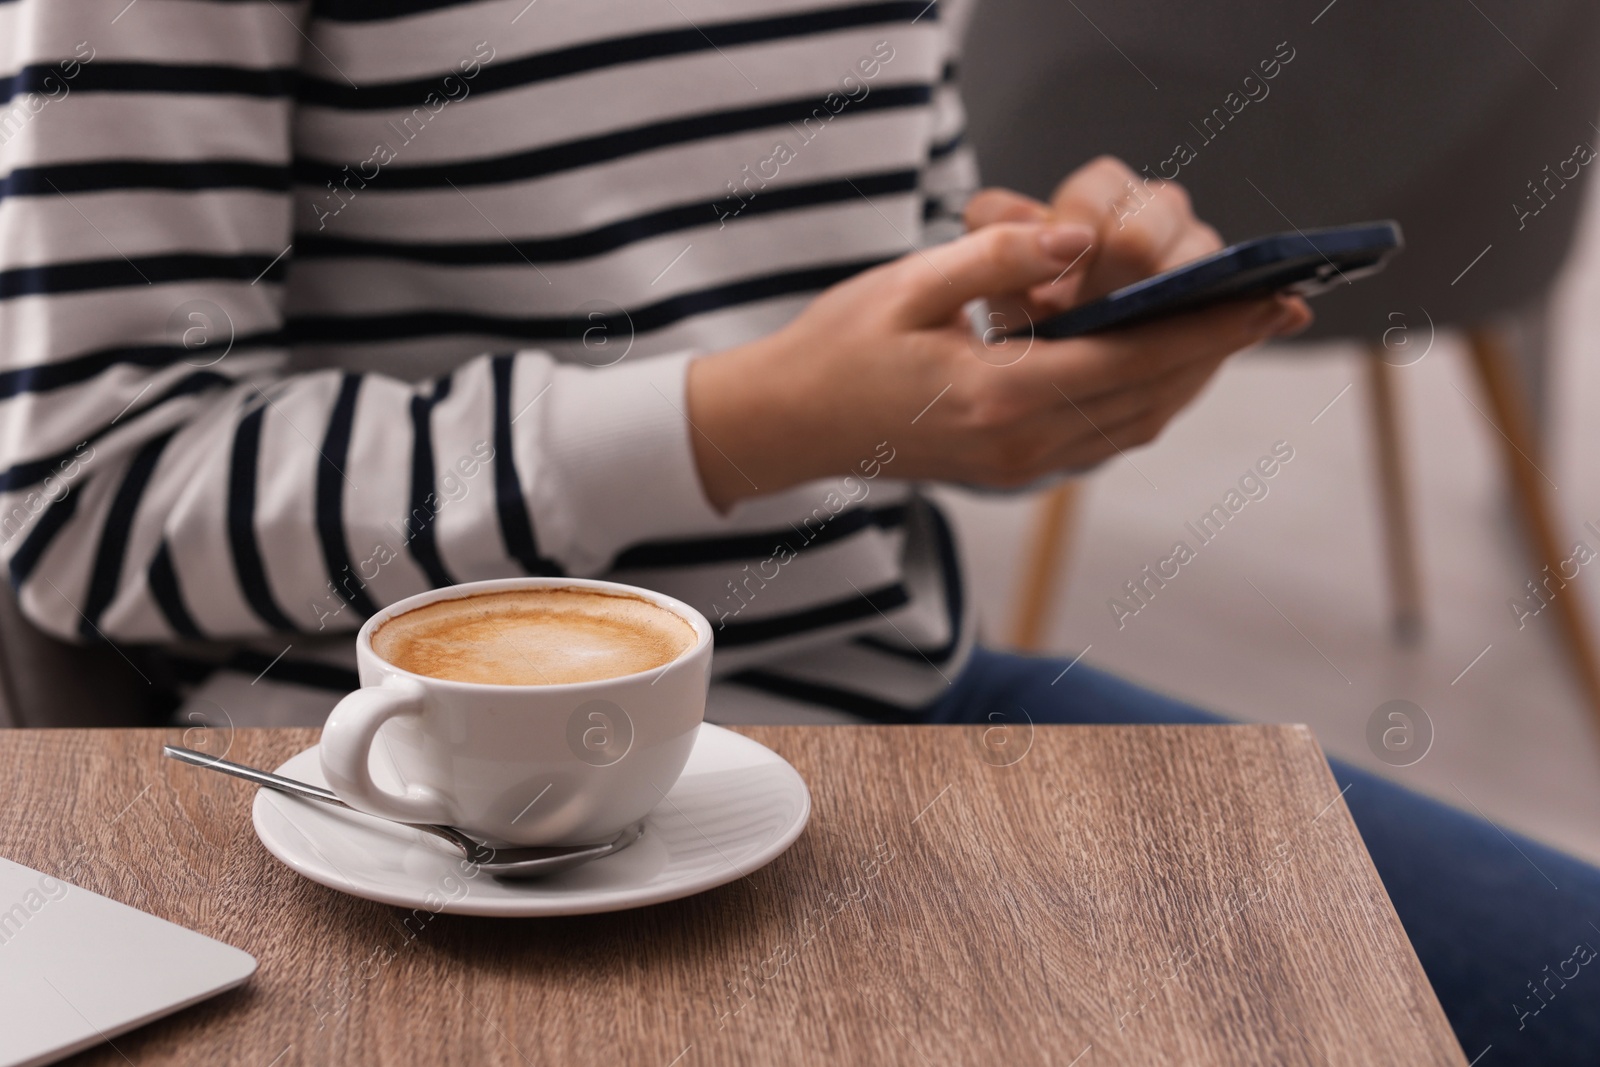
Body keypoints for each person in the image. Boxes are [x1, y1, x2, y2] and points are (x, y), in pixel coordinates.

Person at [0, 2, 1593, 1059]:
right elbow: (89, 498)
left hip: (902, 716)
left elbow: (849, 317)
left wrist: (1021, 342)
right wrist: (734, 425)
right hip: (411, 815)